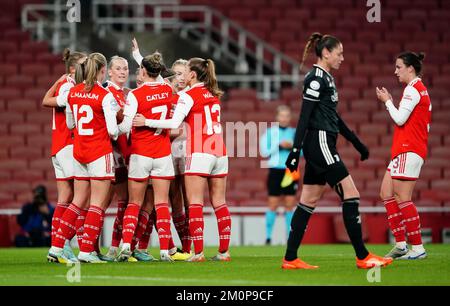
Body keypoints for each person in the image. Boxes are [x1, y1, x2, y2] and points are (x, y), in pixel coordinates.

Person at [283, 32, 393, 269]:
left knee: (308, 200)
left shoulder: (327, 79)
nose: (343, 58)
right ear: (325, 53)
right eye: (339, 53)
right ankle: (363, 256)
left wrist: (355, 142)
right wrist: (294, 151)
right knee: (351, 195)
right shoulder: (315, 79)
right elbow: (305, 116)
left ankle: (290, 258)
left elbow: (334, 117)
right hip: (320, 142)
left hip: (323, 143)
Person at [134, 57, 232, 262]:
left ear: (193, 75)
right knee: (220, 202)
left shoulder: (188, 95)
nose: (182, 75)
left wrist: (146, 121)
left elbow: (174, 122)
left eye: (185, 71)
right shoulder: (214, 93)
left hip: (199, 151)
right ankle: (224, 252)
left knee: (195, 202)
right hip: (220, 151)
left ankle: (198, 253)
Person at [48, 52, 120, 263]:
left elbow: (70, 124)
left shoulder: (73, 92)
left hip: (79, 152)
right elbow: (113, 131)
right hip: (99, 152)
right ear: (103, 71)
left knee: (77, 202)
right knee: (96, 204)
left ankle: (56, 246)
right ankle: (87, 251)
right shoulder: (105, 95)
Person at [116, 51, 177, 262]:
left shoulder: (135, 95)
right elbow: (159, 78)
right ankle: (163, 251)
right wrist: (139, 56)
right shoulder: (168, 89)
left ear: (143, 71)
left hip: (141, 154)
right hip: (163, 153)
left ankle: (125, 246)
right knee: (161, 204)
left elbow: (125, 126)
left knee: (134, 202)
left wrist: (112, 128)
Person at [376, 51, 431, 260]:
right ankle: (400, 244)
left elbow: (399, 119)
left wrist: (387, 101)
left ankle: (417, 248)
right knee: (386, 192)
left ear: (411, 68)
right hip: (405, 149)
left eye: (399, 67)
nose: (395, 71)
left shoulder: (413, 89)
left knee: (402, 197)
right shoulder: (419, 89)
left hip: (409, 148)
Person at [42, 48, 86, 262]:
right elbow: (47, 101)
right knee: (80, 197)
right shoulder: (69, 86)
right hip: (68, 146)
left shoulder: (65, 84)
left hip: (58, 147)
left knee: (65, 198)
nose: (88, 68)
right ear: (72, 69)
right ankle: (64, 245)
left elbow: (46, 99)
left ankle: (56, 245)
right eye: (83, 65)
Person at [260, 105, 298, 245]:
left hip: (290, 171)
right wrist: (279, 146)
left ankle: (290, 237)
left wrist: (293, 146)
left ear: (290, 118)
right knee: (273, 204)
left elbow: (302, 152)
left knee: (289, 204)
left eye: (287, 116)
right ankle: (268, 237)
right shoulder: (270, 133)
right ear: (277, 117)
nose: (284, 118)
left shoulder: (295, 133)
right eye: (281, 115)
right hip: (275, 170)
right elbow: (264, 152)